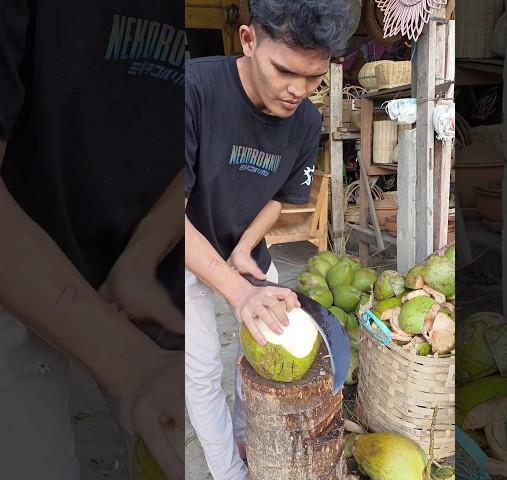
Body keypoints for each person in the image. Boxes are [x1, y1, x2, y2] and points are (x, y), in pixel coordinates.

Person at [0, 2, 185, 479]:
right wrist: (132, 367)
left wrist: (141, 258)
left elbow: (197, 160)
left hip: (141, 270)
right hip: (19, 263)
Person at [184, 0, 352, 478]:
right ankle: (227, 472)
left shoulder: (306, 122)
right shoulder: (194, 90)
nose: (297, 90)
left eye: (314, 77)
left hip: (248, 255)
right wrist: (234, 291)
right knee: (201, 373)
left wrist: (243, 248)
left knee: (255, 360)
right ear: (249, 40)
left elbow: (280, 196)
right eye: (284, 71)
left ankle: (245, 439)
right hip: (181, 250)